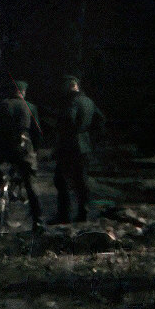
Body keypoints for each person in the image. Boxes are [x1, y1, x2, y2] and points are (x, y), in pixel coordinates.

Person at [0, 80, 44, 231]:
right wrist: (35, 151)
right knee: (31, 184)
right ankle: (38, 221)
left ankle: (2, 181)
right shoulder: (30, 107)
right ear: (23, 92)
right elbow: (37, 133)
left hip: (2, 151)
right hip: (22, 151)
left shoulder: (1, 106)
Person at [50, 75, 106, 224]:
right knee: (81, 181)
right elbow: (100, 121)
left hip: (69, 146)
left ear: (71, 86)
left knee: (61, 180)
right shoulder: (88, 101)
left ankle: (64, 215)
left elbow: (68, 120)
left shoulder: (72, 102)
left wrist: (59, 131)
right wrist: (91, 139)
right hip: (84, 146)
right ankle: (83, 213)